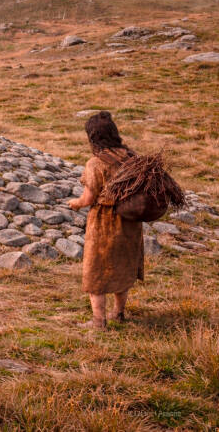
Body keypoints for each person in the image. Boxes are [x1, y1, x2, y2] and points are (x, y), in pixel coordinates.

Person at [68, 111, 143, 329]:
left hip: (104, 222)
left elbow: (89, 197)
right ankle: (118, 313)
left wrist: (76, 203)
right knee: (123, 266)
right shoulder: (131, 156)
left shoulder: (96, 163)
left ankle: (99, 321)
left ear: (93, 137)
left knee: (96, 271)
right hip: (130, 219)